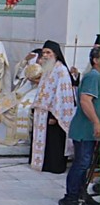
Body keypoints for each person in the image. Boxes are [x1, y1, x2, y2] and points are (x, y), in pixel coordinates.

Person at [59, 46, 100, 205]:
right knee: (82, 163)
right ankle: (70, 198)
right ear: (96, 60)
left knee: (87, 163)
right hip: (85, 129)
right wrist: (96, 122)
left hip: (91, 129)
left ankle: (82, 194)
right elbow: (85, 101)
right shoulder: (93, 76)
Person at [30, 40, 77, 173]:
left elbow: (61, 96)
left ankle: (54, 166)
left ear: (55, 54)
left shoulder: (61, 70)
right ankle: (43, 164)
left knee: (54, 142)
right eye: (43, 52)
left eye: (48, 52)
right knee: (45, 141)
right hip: (42, 113)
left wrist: (54, 116)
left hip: (54, 113)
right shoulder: (48, 69)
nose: (45, 55)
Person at [0, 63, 42, 146]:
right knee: (5, 108)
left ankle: (20, 138)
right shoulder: (31, 74)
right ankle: (0, 135)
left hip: (35, 99)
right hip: (23, 96)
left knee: (20, 110)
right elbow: (20, 87)